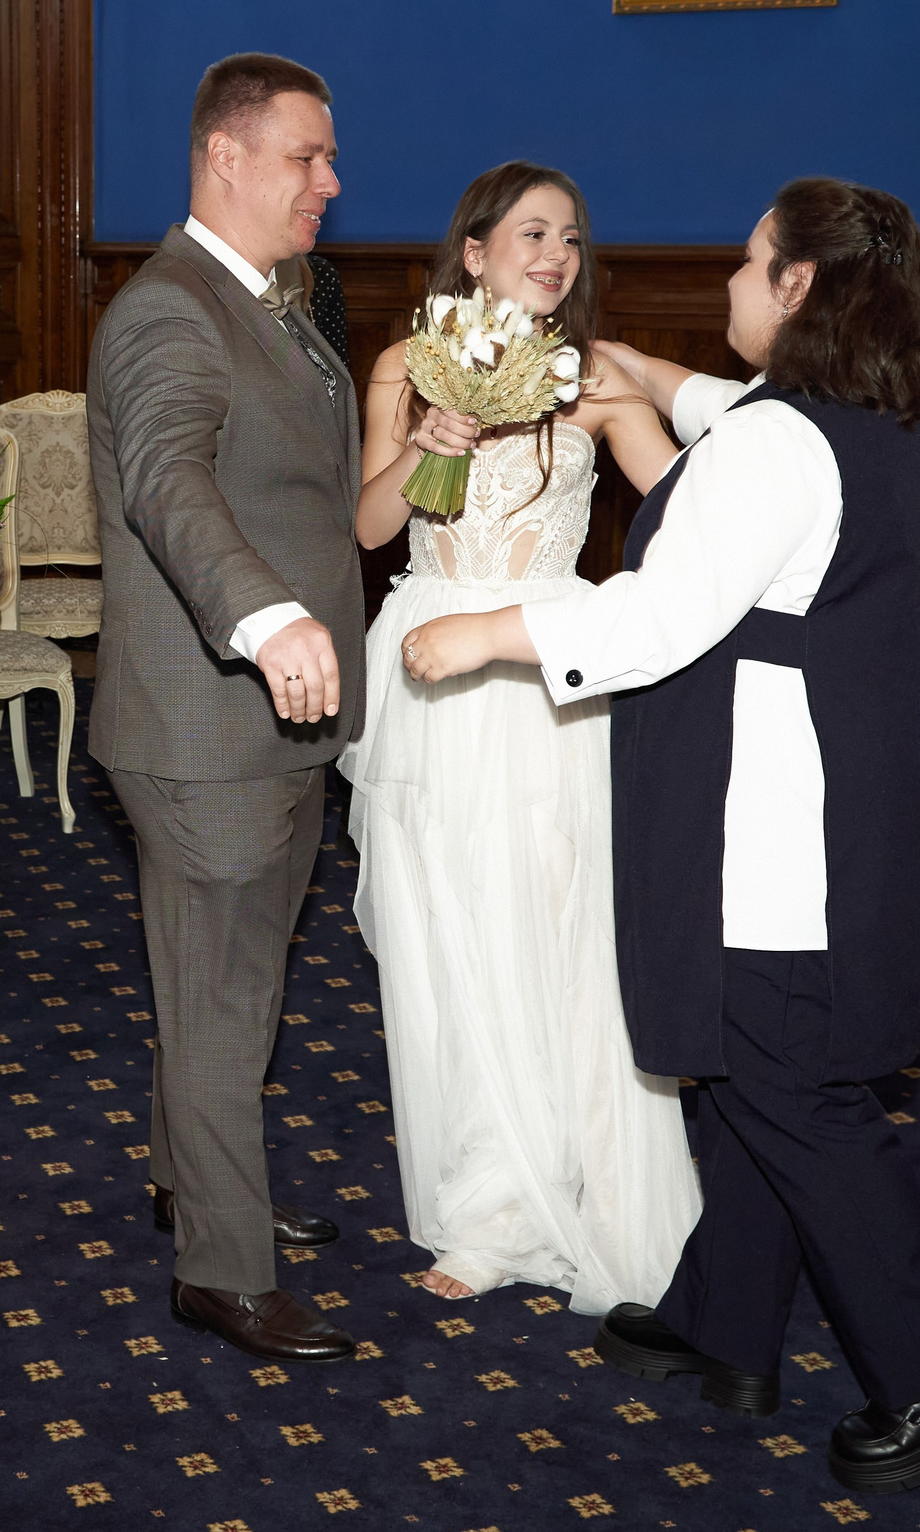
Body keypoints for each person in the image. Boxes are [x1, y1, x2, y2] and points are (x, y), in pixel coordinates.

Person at [401, 177, 920, 1495]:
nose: (733, 285)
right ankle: (724, 1326)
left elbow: (656, 615)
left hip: (782, 818)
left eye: (753, 265)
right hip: (845, 790)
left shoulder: (777, 445)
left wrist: (485, 635)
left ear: (799, 289)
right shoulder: (849, 414)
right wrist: (639, 370)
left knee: (790, 1080)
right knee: (757, 1069)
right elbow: (718, 412)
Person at [340, 162, 700, 1310]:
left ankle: (584, 1180)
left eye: (574, 238)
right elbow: (367, 523)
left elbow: (698, 509)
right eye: (534, 232)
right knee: (447, 933)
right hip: (425, 675)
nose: (557, 254)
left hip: (545, 676)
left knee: (555, 924)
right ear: (477, 250)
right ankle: (488, 1197)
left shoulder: (590, 379)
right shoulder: (404, 364)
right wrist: (422, 435)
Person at [87, 52, 361, 1365]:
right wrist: (263, 615)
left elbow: (291, 487)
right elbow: (165, 482)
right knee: (216, 996)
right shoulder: (168, 313)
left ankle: (189, 1176)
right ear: (226, 157)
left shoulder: (270, 299)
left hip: (280, 726)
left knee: (239, 984)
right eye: (308, 155)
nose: (331, 180)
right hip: (207, 723)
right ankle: (222, 1268)